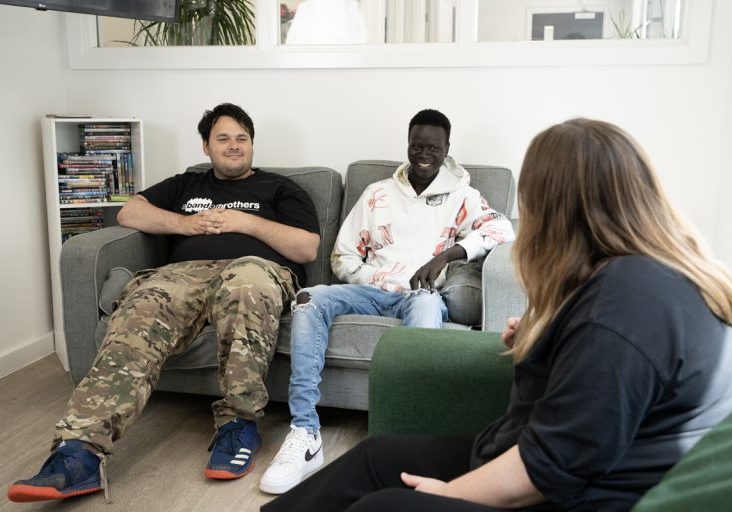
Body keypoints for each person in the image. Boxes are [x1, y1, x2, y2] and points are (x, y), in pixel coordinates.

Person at [260, 118, 732, 511]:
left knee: (383, 504)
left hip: (576, 494)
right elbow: (594, 378)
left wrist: (450, 495)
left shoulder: (630, 302)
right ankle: (303, 435)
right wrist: (543, 339)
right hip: (526, 449)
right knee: (378, 457)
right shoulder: (625, 281)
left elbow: (552, 466)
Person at [7, 103, 321, 503]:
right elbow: (129, 211)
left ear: (252, 144)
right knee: (143, 305)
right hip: (183, 274)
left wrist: (245, 223)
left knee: (245, 284)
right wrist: (186, 224)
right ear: (206, 145)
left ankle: (239, 425)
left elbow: (307, 247)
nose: (234, 146)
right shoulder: (186, 186)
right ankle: (79, 452)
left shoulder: (279, 188)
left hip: (255, 270)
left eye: (242, 138)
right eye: (223, 138)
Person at [259, 109, 515, 494]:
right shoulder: (377, 193)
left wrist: (446, 256)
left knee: (428, 306)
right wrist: (377, 278)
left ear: (447, 149)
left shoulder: (463, 195)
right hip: (371, 290)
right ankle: (304, 433)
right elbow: (343, 257)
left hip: (421, 295)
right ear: (408, 144)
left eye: (433, 147)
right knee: (308, 298)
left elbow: (501, 229)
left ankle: (413, 441)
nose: (424, 154)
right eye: (417, 145)